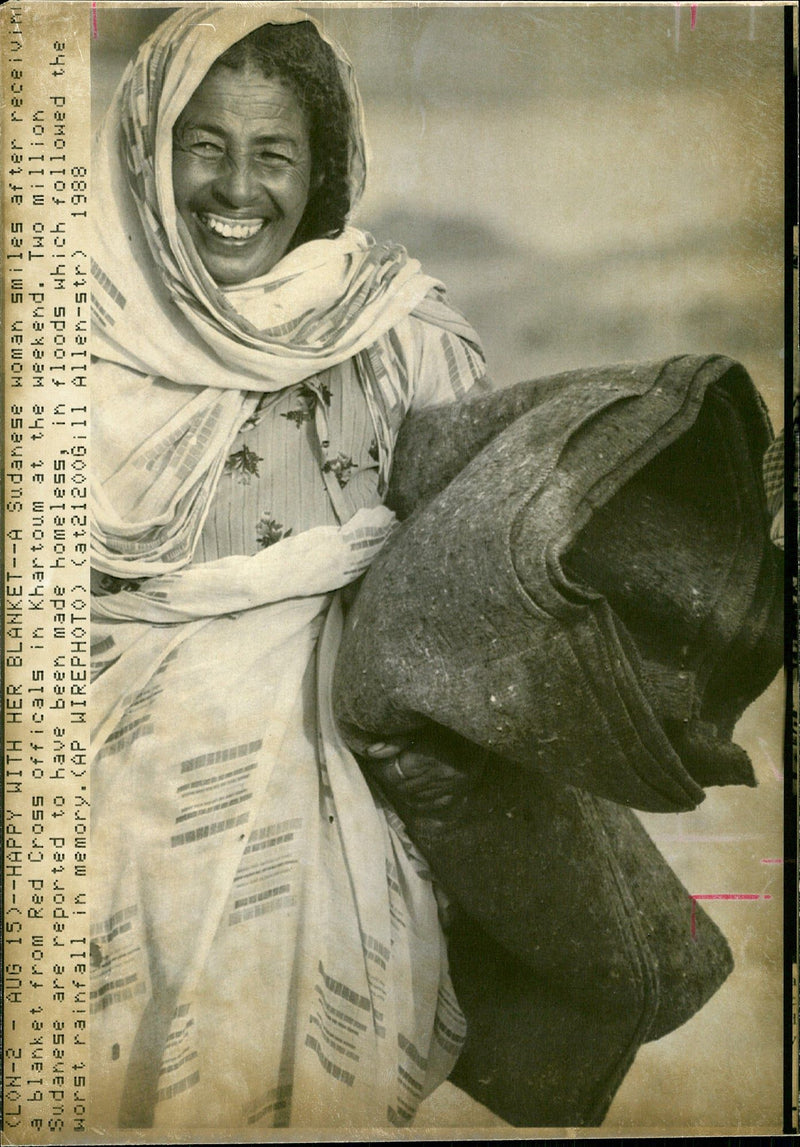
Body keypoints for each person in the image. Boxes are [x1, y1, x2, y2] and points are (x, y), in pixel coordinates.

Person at [89, 4, 490, 1131]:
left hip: (341, 832)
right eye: (203, 146)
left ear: (322, 170)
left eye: (274, 155)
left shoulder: (397, 332)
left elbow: (474, 572)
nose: (234, 190)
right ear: (145, 149)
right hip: (113, 836)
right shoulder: (69, 339)